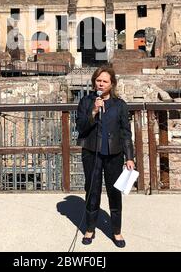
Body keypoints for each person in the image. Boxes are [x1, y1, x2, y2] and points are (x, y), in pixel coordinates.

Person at [76, 65, 135, 248]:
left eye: (104, 81)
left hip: (114, 155)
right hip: (91, 153)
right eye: (98, 80)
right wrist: (93, 111)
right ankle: (90, 228)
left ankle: (116, 231)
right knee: (92, 191)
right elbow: (80, 127)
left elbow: (125, 132)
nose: (100, 84)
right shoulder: (86, 101)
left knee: (114, 192)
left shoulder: (120, 105)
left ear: (112, 84)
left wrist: (130, 157)